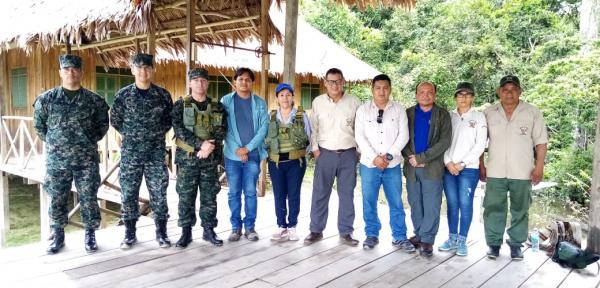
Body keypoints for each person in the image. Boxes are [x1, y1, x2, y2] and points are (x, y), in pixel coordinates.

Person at [33, 54, 109, 254]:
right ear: (60, 72)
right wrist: (56, 144)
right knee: (57, 197)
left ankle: (90, 234)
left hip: (86, 160)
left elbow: (103, 126)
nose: (71, 72)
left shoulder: (94, 101)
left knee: (89, 197)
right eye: (66, 69)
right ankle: (58, 235)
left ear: (81, 72)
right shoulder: (46, 99)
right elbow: (40, 127)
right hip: (57, 161)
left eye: (75, 69)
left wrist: (86, 141)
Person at [480, 75, 548, 260]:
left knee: (521, 209)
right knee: (493, 208)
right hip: (495, 170)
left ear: (520, 91)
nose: (509, 93)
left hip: (523, 170)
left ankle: (516, 245)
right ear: (498, 92)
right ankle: (493, 244)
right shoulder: (488, 113)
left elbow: (541, 142)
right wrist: (481, 165)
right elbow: (479, 142)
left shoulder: (532, 112)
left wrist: (539, 166)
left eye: (513, 89)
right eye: (505, 89)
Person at [110, 53, 174, 249]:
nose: (143, 71)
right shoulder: (123, 95)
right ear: (132, 70)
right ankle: (130, 234)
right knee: (128, 193)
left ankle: (161, 233)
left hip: (155, 152)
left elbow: (168, 121)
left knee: (159, 193)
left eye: (147, 67)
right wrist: (131, 135)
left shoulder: (162, 95)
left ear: (152, 70)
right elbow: (116, 120)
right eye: (139, 67)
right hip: (131, 154)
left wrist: (152, 136)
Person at [355, 74, 415, 252]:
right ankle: (371, 234)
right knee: (369, 200)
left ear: (390, 89)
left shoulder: (398, 110)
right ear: (372, 89)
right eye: (378, 88)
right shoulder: (363, 110)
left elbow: (403, 135)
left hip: (392, 165)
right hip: (368, 164)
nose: (382, 91)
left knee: (396, 201)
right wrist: (374, 157)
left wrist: (388, 156)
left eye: (385, 88)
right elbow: (360, 136)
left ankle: (399, 236)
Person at [304, 68, 361, 247]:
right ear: (325, 83)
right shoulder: (318, 102)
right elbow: (314, 128)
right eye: (331, 81)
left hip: (348, 155)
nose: (334, 85)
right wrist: (315, 150)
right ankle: (316, 230)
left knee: (346, 195)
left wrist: (358, 151)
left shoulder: (354, 102)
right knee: (320, 193)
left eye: (337, 81)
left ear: (343, 81)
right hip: (325, 153)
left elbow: (360, 129)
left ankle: (346, 232)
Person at [171, 68, 227, 248]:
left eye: (203, 80)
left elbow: (222, 130)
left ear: (207, 83)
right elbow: (178, 129)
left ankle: (208, 230)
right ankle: (186, 232)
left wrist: (208, 148)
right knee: (186, 197)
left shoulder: (218, 106)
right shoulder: (181, 105)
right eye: (196, 80)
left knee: (209, 196)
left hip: (209, 160)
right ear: (190, 83)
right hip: (188, 159)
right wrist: (199, 145)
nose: (200, 83)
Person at [401, 81, 452, 257]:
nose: (425, 95)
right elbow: (401, 138)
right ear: (416, 95)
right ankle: (419, 234)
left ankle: (427, 240)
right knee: (415, 202)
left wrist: (423, 158)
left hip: (433, 167)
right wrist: (413, 159)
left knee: (431, 204)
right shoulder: (407, 114)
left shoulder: (442, 115)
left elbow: (444, 142)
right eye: (421, 92)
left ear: (435, 95)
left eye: (429, 92)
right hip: (412, 167)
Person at [438, 82, 487, 256]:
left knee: (465, 204)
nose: (464, 98)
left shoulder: (479, 117)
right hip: (448, 167)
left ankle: (462, 241)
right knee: (452, 203)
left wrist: (462, 164)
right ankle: (451, 238)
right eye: (460, 95)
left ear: (473, 97)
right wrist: (448, 162)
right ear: (455, 97)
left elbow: (480, 145)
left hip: (469, 169)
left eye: (468, 95)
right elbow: (441, 142)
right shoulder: (447, 116)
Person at [221, 67, 269, 242]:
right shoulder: (225, 101)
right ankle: (235, 227)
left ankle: (250, 227)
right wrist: (237, 149)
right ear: (235, 81)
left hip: (253, 155)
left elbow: (264, 128)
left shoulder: (260, 103)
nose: (244, 82)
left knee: (250, 191)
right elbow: (223, 127)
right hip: (232, 156)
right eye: (240, 79)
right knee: (233, 192)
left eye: (248, 79)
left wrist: (248, 148)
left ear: (252, 82)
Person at [266, 83, 311, 242]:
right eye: (282, 95)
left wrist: (305, 152)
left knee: (293, 194)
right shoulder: (271, 116)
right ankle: (281, 226)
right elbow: (266, 139)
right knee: (279, 194)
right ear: (277, 98)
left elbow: (309, 136)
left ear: (293, 96)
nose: (285, 98)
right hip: (276, 162)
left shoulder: (301, 115)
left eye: (288, 94)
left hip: (295, 163)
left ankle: (292, 226)